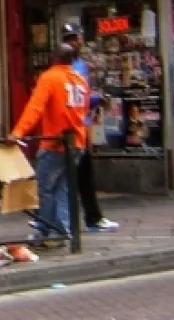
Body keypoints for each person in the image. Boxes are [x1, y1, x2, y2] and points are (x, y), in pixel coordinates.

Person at [10, 43, 89, 245]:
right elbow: (83, 112)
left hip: (55, 143)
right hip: (77, 142)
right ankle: (61, 231)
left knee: (43, 187)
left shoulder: (49, 77)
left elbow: (35, 108)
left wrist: (18, 132)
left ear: (53, 57)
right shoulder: (80, 80)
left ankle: (45, 230)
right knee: (62, 187)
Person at [60, 24, 119, 233]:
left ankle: (89, 218)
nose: (73, 42)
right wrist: (93, 100)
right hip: (68, 130)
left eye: (75, 38)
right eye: (69, 38)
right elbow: (74, 98)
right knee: (67, 177)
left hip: (80, 128)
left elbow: (82, 97)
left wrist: (96, 100)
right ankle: (58, 221)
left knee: (81, 176)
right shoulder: (65, 67)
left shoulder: (81, 65)